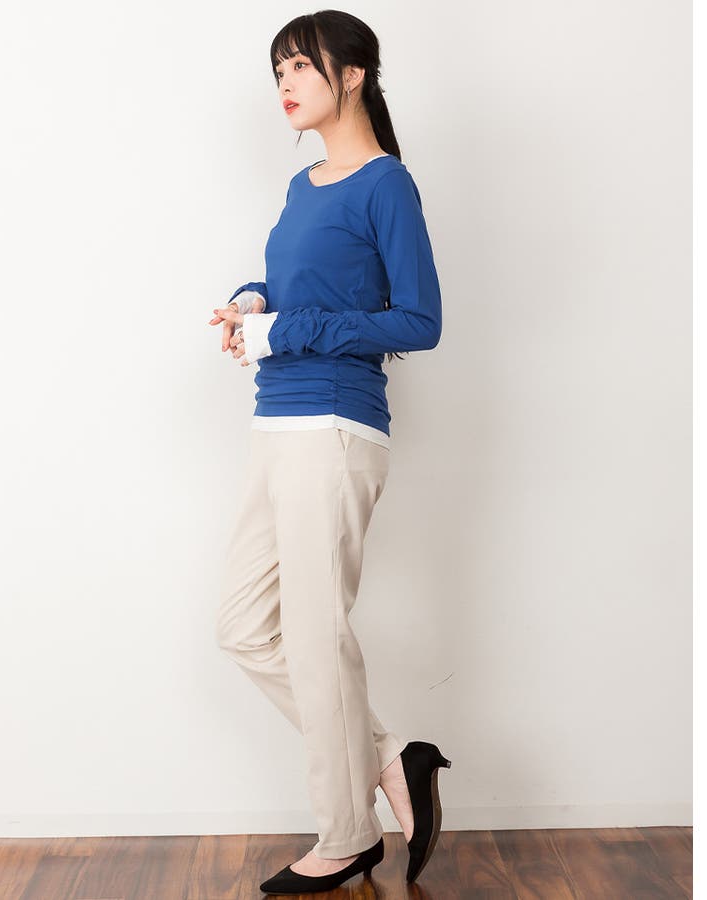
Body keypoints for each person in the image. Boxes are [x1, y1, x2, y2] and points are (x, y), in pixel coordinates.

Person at [209, 11, 451, 894]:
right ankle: (389, 758)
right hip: (276, 424)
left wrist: (289, 330)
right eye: (277, 69)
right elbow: (301, 288)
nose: (285, 83)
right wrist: (252, 301)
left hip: (337, 426)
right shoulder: (303, 183)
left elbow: (418, 320)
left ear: (352, 75)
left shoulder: (387, 184)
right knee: (243, 627)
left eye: (301, 67)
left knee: (316, 637)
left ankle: (347, 835)